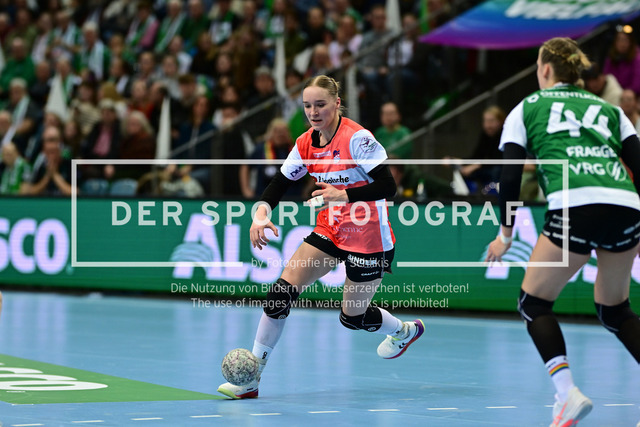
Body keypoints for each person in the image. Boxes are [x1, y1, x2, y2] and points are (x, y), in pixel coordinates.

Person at [217, 75, 425, 399]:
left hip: (369, 237)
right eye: (307, 106)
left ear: (337, 103)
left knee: (352, 318)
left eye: (320, 105)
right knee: (279, 295)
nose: (313, 112)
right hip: (330, 229)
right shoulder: (305, 144)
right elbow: (279, 183)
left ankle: (404, 331)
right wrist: (260, 214)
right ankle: (251, 379)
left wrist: (345, 194)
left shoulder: (357, 138)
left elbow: (389, 186)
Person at [485, 37, 640, 426]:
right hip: (625, 204)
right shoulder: (610, 109)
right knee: (614, 309)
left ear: (545, 69)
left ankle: (567, 393)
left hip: (575, 203)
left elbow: (509, 178)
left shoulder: (526, 107)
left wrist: (505, 236)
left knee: (534, 304)